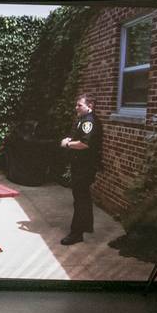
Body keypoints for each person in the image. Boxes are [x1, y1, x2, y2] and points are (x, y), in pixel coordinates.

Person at [59, 93, 102, 245]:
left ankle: (76, 234)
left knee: (80, 200)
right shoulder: (84, 120)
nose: (76, 107)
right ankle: (87, 226)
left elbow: (85, 144)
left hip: (84, 167)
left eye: (79, 105)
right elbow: (82, 138)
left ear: (90, 106)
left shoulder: (88, 121)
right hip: (82, 166)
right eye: (76, 104)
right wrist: (71, 139)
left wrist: (67, 144)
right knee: (84, 197)